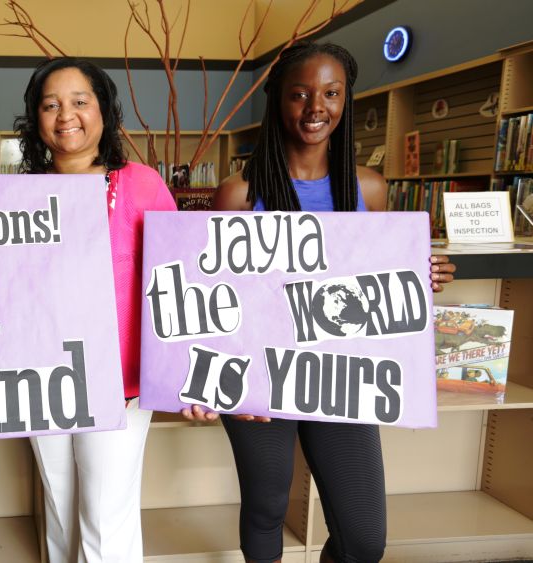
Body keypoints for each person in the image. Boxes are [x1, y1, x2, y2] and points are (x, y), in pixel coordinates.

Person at [182, 41, 456, 563]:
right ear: (278, 101)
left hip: (344, 372)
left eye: (331, 93)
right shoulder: (237, 194)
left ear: (346, 99)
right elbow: (212, 294)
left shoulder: (368, 189)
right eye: (300, 94)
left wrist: (419, 277)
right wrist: (209, 378)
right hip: (259, 374)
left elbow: (383, 281)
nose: (316, 108)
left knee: (364, 538)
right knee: (265, 507)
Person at [15, 57, 218, 563]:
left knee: (106, 520)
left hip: (119, 384)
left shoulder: (141, 184)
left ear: (103, 111)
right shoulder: (15, 196)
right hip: (40, 377)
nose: (67, 115)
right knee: (60, 512)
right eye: (51, 104)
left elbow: (180, 280)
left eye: (81, 102)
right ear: (34, 119)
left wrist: (190, 371)